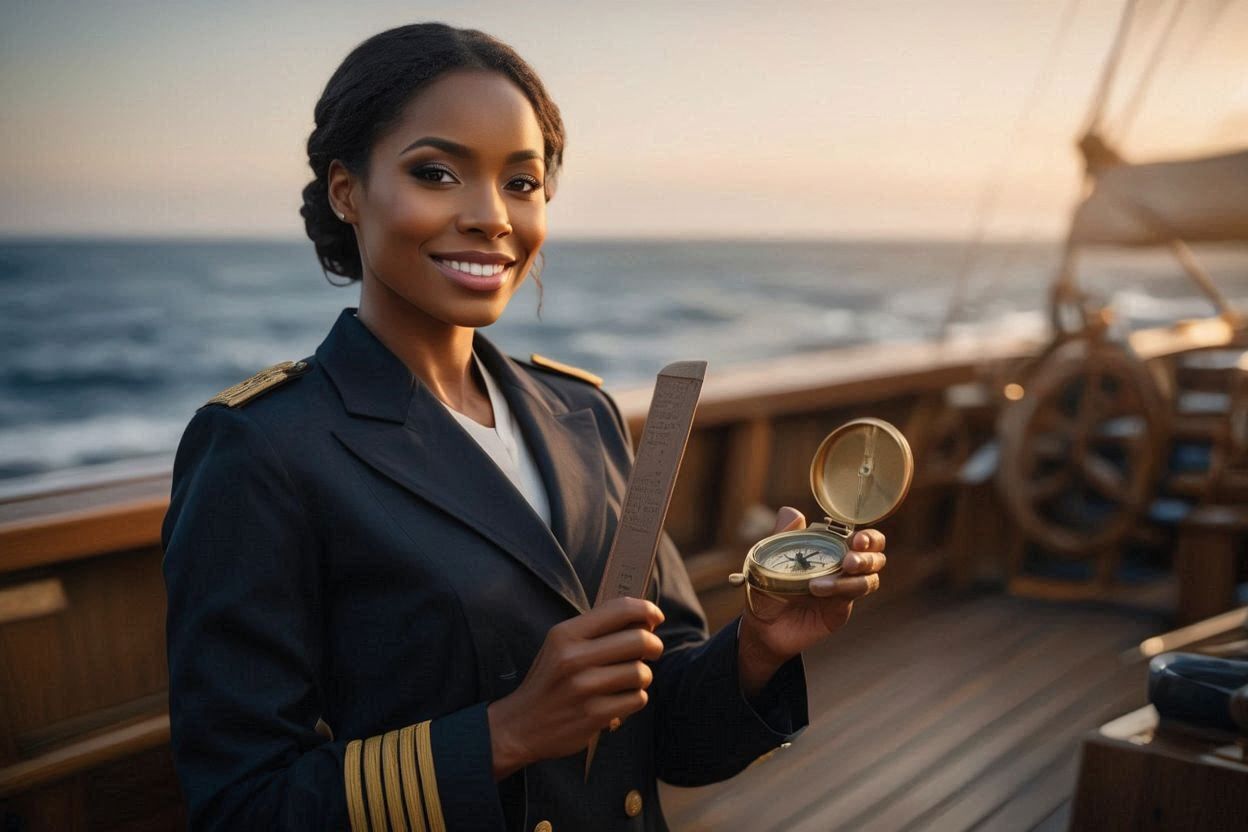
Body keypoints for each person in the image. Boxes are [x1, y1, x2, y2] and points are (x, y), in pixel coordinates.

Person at [161, 22, 888, 832]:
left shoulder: (583, 415)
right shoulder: (261, 450)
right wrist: (507, 734)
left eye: (522, 182)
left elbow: (664, 741)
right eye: (436, 173)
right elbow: (243, 806)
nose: (491, 217)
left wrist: (757, 649)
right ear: (346, 191)